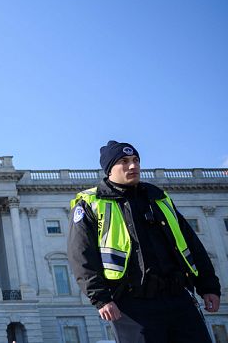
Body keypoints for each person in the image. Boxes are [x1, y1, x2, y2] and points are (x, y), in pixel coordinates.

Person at [68, 140, 221, 342]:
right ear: (109, 169)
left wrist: (208, 286)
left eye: (135, 160)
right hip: (132, 305)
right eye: (124, 161)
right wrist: (101, 299)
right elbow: (81, 255)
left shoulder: (159, 197)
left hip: (178, 297)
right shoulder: (90, 203)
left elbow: (191, 244)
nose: (133, 166)